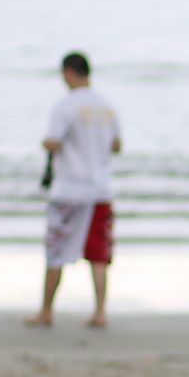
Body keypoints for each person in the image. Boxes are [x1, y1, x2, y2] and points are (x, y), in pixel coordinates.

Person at [28, 51, 120, 329]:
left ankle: (46, 311)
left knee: (56, 250)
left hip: (69, 188)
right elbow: (117, 146)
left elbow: (53, 142)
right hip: (100, 188)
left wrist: (46, 144)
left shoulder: (66, 106)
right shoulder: (107, 107)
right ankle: (100, 312)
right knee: (99, 255)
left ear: (68, 73)